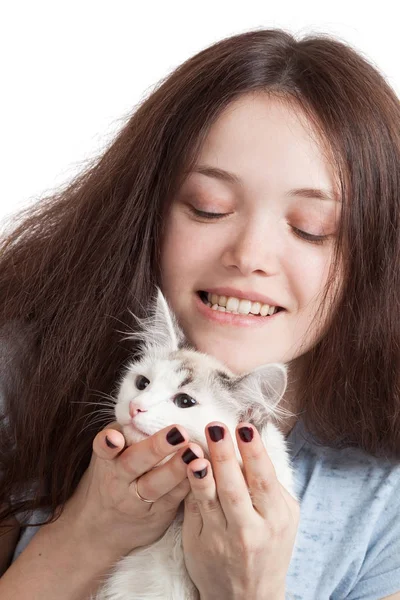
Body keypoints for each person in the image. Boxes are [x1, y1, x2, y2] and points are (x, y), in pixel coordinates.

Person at [0, 27, 399, 600]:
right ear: (147, 215)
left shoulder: (384, 498)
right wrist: (91, 532)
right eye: (208, 209)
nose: (250, 257)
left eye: (313, 229)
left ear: (376, 260)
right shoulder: (21, 375)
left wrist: (248, 590)